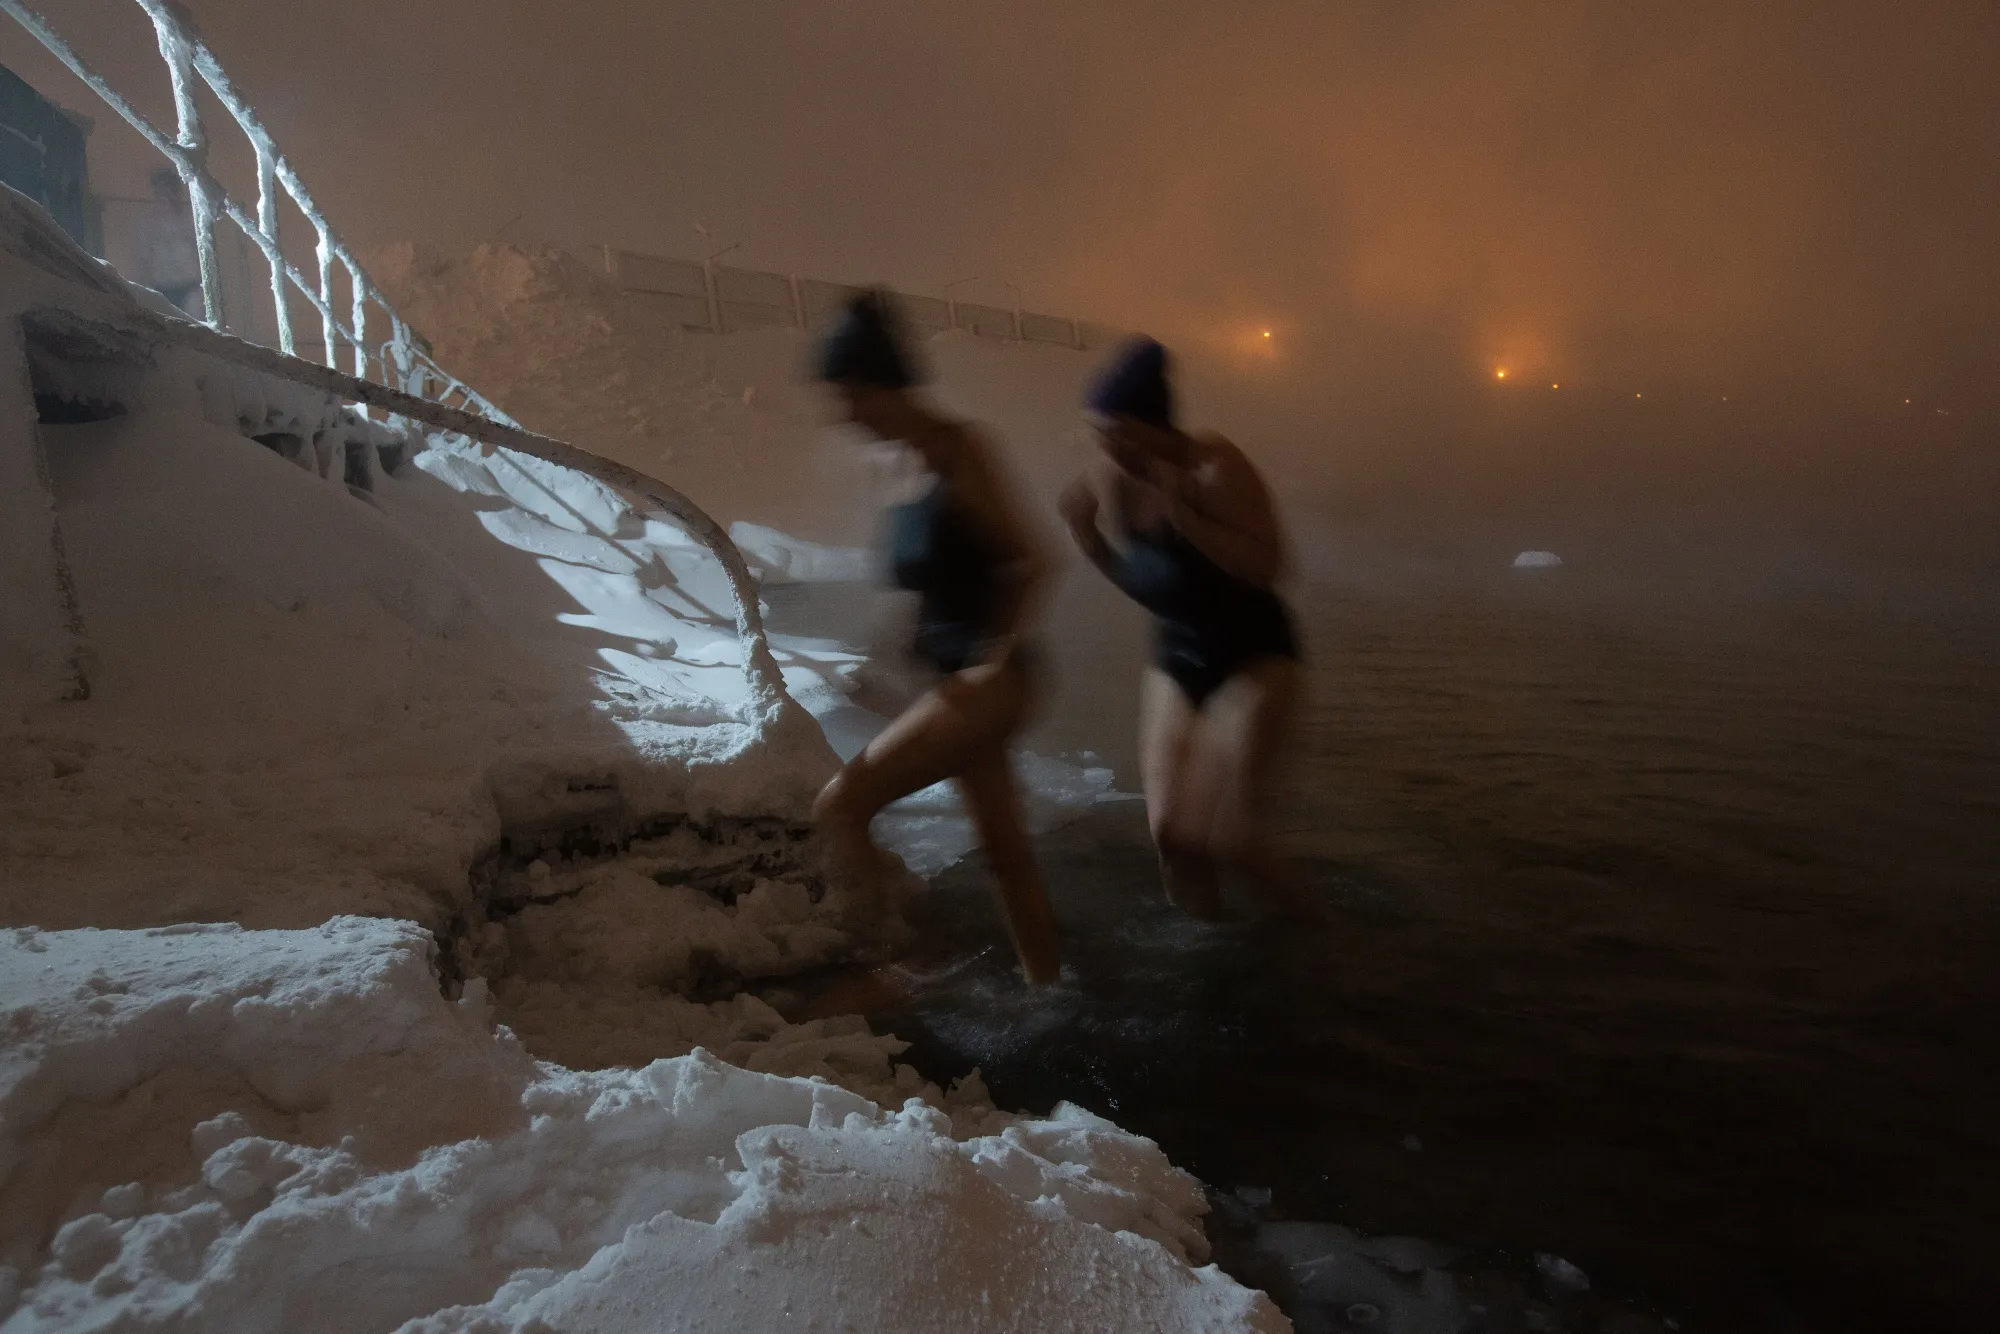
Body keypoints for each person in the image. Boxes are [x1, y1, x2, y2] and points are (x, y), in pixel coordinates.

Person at [810, 291, 1062, 985]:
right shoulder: (898, 466)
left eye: (850, 394)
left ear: (880, 381)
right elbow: (925, 587)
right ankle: (1051, 987)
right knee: (1006, 855)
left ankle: (892, 971)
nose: (846, 414)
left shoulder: (961, 450)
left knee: (840, 807)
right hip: (950, 677)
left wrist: (992, 657)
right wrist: (883, 655)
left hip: (986, 682)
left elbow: (1036, 559)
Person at [1058, 337, 1310, 921]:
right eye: (1096, 433)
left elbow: (1269, 565)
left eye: (1113, 431)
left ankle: (1314, 945)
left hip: (1254, 654)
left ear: (1150, 425)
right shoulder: (1117, 478)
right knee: (1172, 836)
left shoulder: (1215, 467)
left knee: (1233, 839)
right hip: (1178, 649)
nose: (1101, 447)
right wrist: (1089, 539)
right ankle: (1208, 956)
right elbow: (1151, 586)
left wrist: (1186, 518)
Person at [143, 166, 202, 317]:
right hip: (161, 288)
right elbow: (144, 258)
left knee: (194, 328)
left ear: (176, 192)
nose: (165, 196)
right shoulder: (149, 221)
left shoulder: (191, 219)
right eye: (161, 191)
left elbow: (200, 252)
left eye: (169, 190)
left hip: (190, 287)